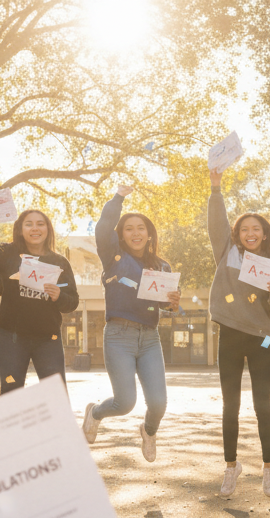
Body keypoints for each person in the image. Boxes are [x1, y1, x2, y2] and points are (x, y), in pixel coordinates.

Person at [207, 169, 270, 497]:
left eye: (256, 228)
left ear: (265, 234)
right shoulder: (226, 253)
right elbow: (216, 222)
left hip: (262, 338)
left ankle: (269, 469)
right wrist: (216, 187)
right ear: (237, 234)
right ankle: (231, 467)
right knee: (230, 405)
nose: (250, 232)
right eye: (244, 228)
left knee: (262, 405)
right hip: (229, 333)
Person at [80, 185, 180, 460]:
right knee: (125, 403)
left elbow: (162, 306)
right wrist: (118, 198)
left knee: (158, 404)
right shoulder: (114, 258)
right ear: (121, 235)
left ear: (149, 234)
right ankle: (94, 412)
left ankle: (148, 431)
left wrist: (172, 304)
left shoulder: (162, 267)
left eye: (141, 228)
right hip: (119, 336)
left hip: (149, 338)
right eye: (129, 228)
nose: (136, 233)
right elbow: (103, 228)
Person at [0, 199, 78, 395]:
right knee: (11, 391)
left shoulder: (59, 261)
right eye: (28, 224)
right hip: (11, 338)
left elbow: (72, 301)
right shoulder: (8, 253)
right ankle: (11, 427)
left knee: (56, 394)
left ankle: (58, 427)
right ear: (20, 230)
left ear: (48, 229)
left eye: (40, 223)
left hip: (49, 339)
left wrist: (59, 296)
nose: (35, 228)